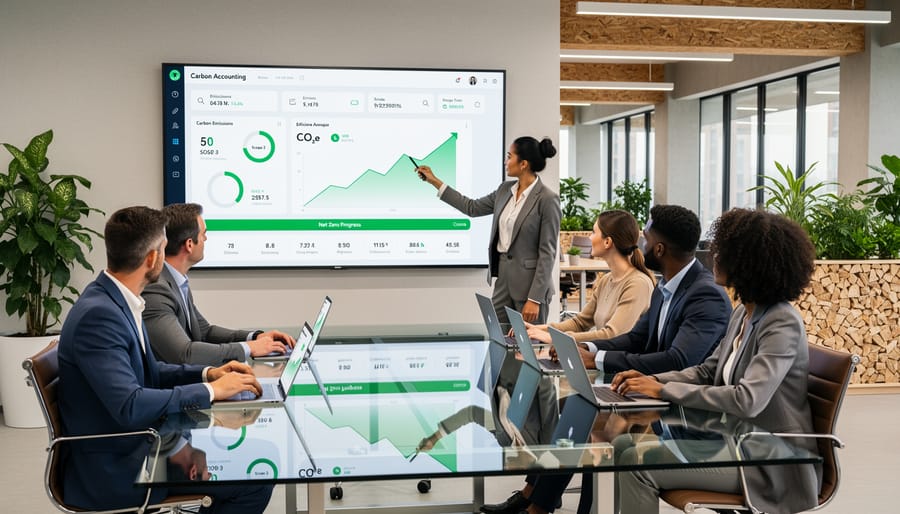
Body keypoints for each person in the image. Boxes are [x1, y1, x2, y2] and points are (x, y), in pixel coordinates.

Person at [483, 204, 732, 514]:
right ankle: (536, 502)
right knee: (574, 406)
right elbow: (636, 339)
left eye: (646, 236)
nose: (640, 241)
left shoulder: (703, 294)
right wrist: (592, 354)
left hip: (682, 408)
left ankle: (550, 504)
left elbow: (678, 360)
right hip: (645, 388)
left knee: (589, 423)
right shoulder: (666, 287)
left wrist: (598, 359)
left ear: (659, 247)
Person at [57, 206, 273, 513]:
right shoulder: (100, 316)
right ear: (152, 258)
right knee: (255, 481)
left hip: (135, 447)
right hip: (117, 468)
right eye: (162, 247)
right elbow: (130, 405)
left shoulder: (115, 299)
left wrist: (209, 375)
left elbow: (149, 371)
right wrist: (211, 393)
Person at [613, 208, 820, 514]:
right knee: (621, 446)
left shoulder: (781, 322)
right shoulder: (743, 313)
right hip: (735, 443)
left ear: (749, 262)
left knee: (636, 462)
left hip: (771, 462)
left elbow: (748, 399)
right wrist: (655, 381)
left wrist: (664, 392)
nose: (712, 257)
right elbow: (708, 371)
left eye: (722, 251)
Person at [415, 136, 561, 325]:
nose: (505, 161)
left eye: (509, 157)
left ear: (523, 163)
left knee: (529, 347)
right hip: (503, 283)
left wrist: (535, 298)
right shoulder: (504, 190)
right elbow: (472, 207)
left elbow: (547, 253)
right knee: (498, 339)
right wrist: (435, 181)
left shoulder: (547, 199)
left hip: (530, 288)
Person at [143, 203, 295, 365]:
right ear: (189, 244)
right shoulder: (157, 289)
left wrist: (255, 337)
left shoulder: (176, 281)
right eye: (203, 234)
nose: (206, 239)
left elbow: (204, 332)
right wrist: (249, 348)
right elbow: (185, 354)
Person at [525, 209, 655, 344]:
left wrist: (555, 339)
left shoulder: (638, 284)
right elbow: (580, 323)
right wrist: (539, 329)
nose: (590, 237)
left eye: (593, 232)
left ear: (607, 242)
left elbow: (612, 335)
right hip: (602, 359)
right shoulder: (606, 280)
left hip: (621, 364)